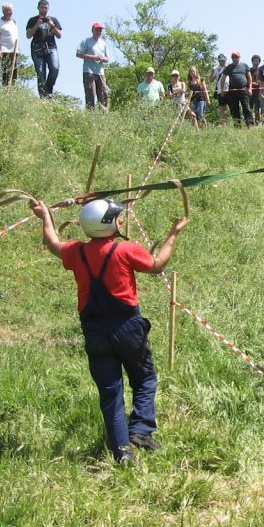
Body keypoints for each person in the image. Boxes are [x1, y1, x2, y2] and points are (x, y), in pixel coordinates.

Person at [30, 198, 188, 464]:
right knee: (145, 379)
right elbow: (157, 265)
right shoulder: (125, 250)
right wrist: (174, 233)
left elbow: (52, 243)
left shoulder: (76, 252)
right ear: (108, 223)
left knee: (111, 393)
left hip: (94, 331)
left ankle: (122, 454)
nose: (121, 220)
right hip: (128, 327)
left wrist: (45, 216)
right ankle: (140, 430)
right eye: (117, 217)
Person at [25, 0, 62, 97]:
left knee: (55, 68)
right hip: (37, 48)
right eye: (42, 8)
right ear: (38, 8)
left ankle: (49, 90)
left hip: (51, 47)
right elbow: (28, 35)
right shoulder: (33, 20)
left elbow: (59, 35)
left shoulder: (53, 20)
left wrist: (52, 26)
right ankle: (43, 96)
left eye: (46, 8)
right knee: (41, 72)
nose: (44, 10)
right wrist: (37, 25)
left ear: (48, 8)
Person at [76, 23, 110, 111]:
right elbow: (78, 54)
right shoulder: (86, 41)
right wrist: (92, 57)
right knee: (90, 93)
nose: (98, 31)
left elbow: (107, 58)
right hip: (88, 71)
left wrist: (104, 59)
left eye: (100, 30)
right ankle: (90, 113)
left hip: (100, 72)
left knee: (104, 93)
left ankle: (104, 114)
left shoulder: (103, 43)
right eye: (97, 29)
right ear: (92, 30)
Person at [222, 51, 254, 126]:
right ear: (231, 58)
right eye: (233, 57)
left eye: (236, 57)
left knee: (246, 107)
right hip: (232, 90)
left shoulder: (245, 66)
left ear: (239, 57)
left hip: (243, 89)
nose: (235, 58)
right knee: (234, 109)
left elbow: (249, 77)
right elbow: (223, 79)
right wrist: (223, 89)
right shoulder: (228, 67)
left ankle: (250, 124)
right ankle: (237, 125)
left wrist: (250, 88)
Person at [0, 2, 18, 87]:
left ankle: (12, 90)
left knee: (14, 73)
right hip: (4, 51)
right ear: (3, 11)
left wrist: (18, 49)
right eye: (7, 10)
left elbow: (15, 37)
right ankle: (5, 89)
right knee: (6, 73)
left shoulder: (13, 22)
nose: (9, 12)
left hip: (14, 51)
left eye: (10, 10)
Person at [211, 53, 228, 121]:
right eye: (220, 60)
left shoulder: (229, 67)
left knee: (232, 106)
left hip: (230, 89)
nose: (222, 61)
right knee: (222, 108)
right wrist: (212, 72)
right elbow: (211, 80)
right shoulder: (215, 68)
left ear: (226, 60)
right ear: (218, 60)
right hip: (220, 90)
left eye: (223, 60)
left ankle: (234, 123)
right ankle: (223, 123)